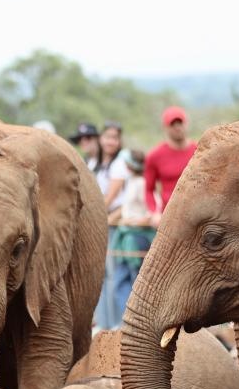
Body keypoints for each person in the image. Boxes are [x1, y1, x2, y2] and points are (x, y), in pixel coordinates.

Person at [82, 122, 129, 332]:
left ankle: (116, 323)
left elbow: (109, 199)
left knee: (113, 275)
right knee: (99, 275)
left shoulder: (119, 164)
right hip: (97, 222)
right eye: (108, 137)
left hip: (112, 223)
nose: (110, 141)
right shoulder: (95, 163)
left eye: (115, 137)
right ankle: (102, 322)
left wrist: (93, 215)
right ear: (101, 139)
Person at [111, 150, 155, 315]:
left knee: (135, 280)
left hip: (137, 236)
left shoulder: (142, 184)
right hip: (125, 235)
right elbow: (126, 208)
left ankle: (135, 317)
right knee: (122, 280)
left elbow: (150, 212)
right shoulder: (132, 182)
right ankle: (127, 317)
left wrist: (132, 221)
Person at [144, 106, 197, 224]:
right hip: (168, 217)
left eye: (180, 123)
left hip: (196, 216)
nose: (177, 127)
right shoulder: (154, 156)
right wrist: (154, 213)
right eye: (173, 124)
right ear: (165, 127)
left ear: (186, 124)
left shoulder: (199, 151)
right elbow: (148, 190)